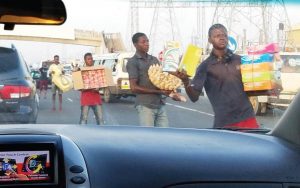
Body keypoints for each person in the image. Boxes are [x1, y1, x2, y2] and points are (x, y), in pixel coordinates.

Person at [175, 24, 259, 128]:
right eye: (217, 35)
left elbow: (253, 88)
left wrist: (269, 88)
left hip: (248, 119)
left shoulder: (240, 60)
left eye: (224, 35)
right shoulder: (205, 66)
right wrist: (185, 81)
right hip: (224, 123)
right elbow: (194, 97)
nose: (222, 37)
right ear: (210, 40)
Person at [126, 32, 172, 127]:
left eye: (147, 41)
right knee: (148, 138)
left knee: (165, 136)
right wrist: (158, 92)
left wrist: (170, 90)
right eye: (143, 42)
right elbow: (133, 88)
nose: (147, 43)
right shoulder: (132, 62)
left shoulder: (154, 60)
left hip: (160, 104)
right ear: (135, 45)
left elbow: (161, 80)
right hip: (145, 106)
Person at [79, 53, 104, 125]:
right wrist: (86, 88)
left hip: (96, 99)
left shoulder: (97, 71)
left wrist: (99, 88)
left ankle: (101, 135)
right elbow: (78, 87)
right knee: (83, 120)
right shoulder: (81, 71)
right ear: (85, 60)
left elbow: (102, 83)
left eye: (91, 59)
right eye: (88, 59)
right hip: (86, 100)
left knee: (100, 120)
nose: (90, 60)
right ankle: (81, 135)